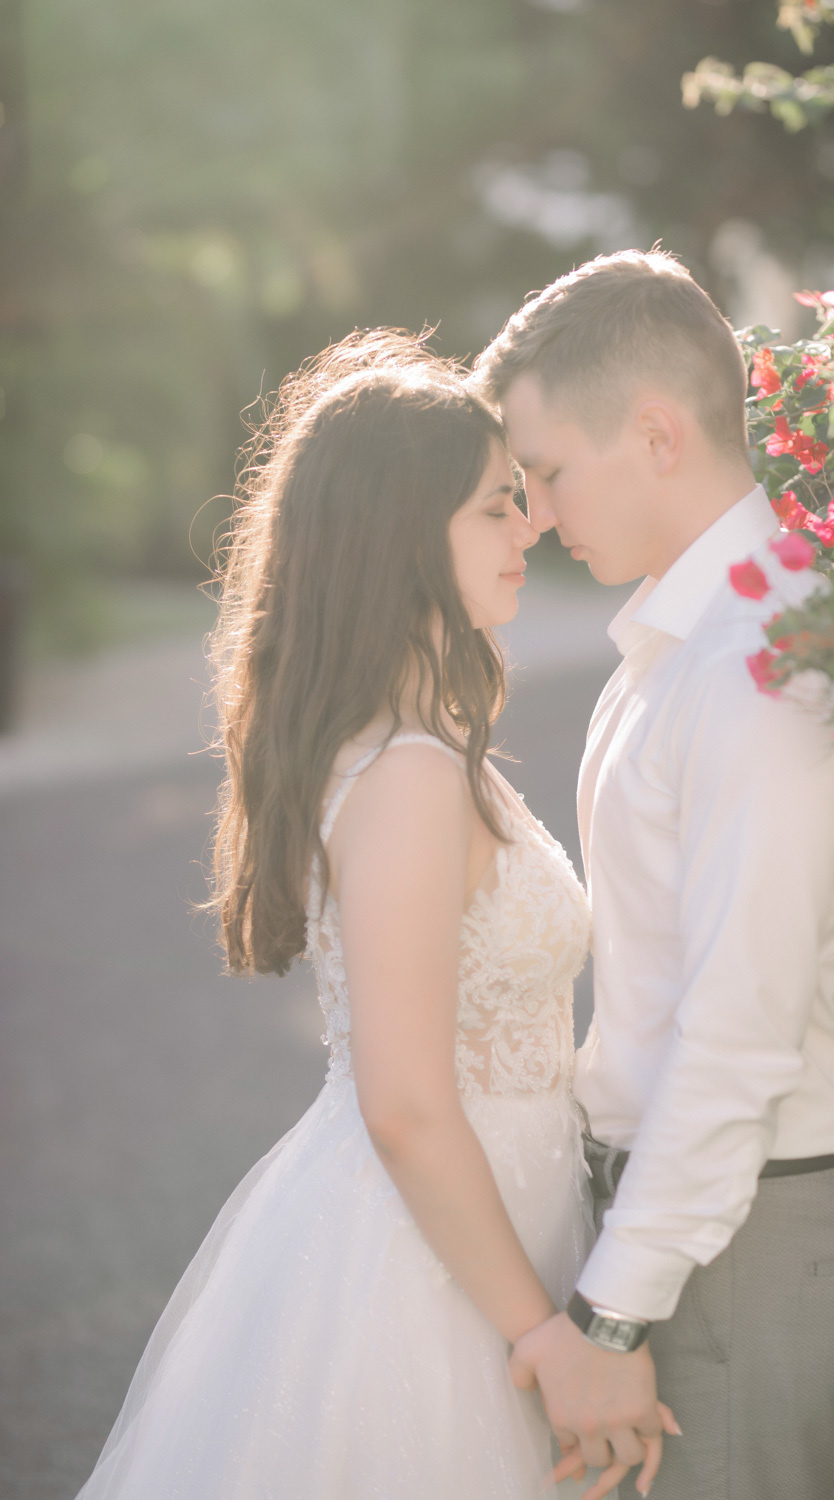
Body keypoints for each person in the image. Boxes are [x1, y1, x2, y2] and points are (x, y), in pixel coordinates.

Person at [74, 331, 670, 1500]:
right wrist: (538, 1334)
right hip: (432, 1275)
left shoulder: (422, 744)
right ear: (407, 536)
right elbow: (402, 1104)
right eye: (497, 507)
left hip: (493, 1222)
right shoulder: (404, 772)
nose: (530, 526)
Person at [473, 249, 834, 1500]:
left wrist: (611, 1315)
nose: (538, 512)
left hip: (747, 1249)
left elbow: (737, 1031)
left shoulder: (760, 659)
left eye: (547, 471)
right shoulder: (682, 646)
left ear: (655, 435)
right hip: (698, 1233)